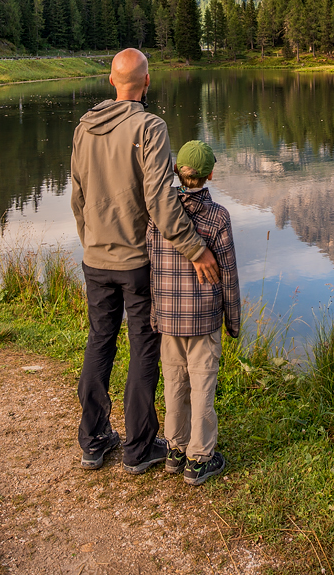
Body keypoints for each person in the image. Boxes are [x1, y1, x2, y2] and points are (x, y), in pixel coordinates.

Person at [70, 48, 221, 473]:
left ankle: (93, 441)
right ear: (147, 82)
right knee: (143, 348)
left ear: (111, 80)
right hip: (136, 262)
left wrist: (91, 242)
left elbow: (77, 196)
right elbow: (160, 200)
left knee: (99, 341)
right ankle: (137, 449)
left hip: (95, 259)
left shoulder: (83, 127)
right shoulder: (150, 127)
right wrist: (195, 248)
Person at [148, 140, 240, 486]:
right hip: (203, 319)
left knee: (174, 382)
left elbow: (151, 263)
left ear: (175, 170)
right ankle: (199, 459)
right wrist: (233, 321)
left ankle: (175, 449)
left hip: (168, 317)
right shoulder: (218, 217)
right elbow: (228, 274)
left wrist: (155, 312)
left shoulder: (158, 214)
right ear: (210, 175)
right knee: (202, 386)